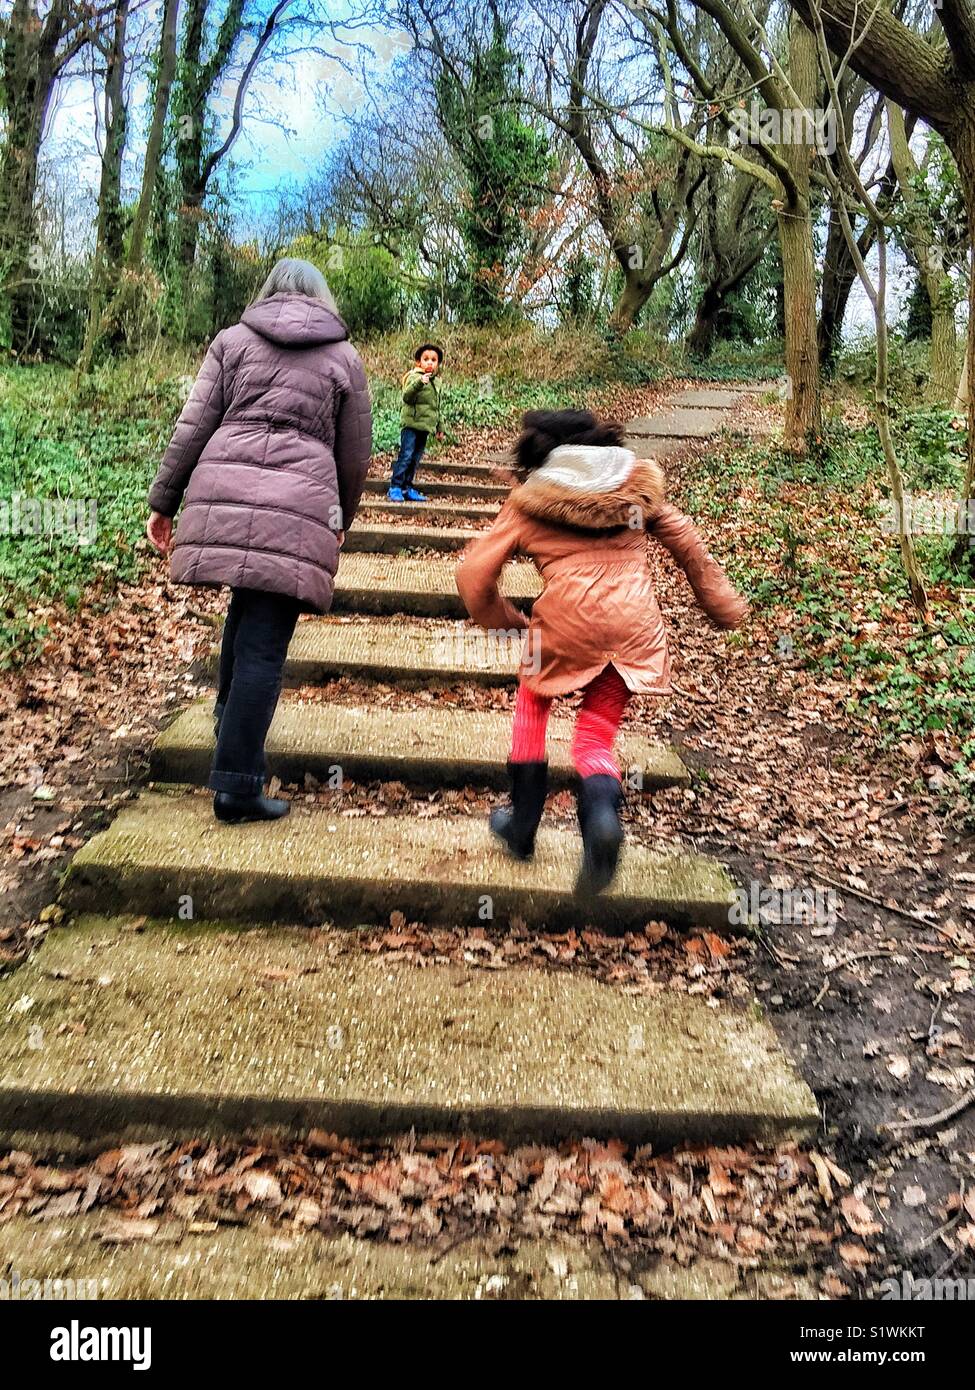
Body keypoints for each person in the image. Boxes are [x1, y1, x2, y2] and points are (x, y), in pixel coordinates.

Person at [456, 408, 748, 896]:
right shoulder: (638, 491)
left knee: (532, 702)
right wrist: (721, 605)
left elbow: (473, 575)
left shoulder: (528, 502)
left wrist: (505, 621)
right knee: (594, 737)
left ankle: (522, 824)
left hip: (563, 625)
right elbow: (690, 547)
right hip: (633, 626)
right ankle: (602, 820)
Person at [146, 257, 372, 824]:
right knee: (265, 643)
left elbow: (193, 425)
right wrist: (339, 515)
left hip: (227, 486)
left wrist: (163, 501)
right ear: (323, 297)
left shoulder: (233, 340)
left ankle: (229, 726)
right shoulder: (343, 356)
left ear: (267, 291)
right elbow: (356, 455)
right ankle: (237, 786)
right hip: (299, 504)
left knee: (246, 613)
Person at [388, 343, 444, 501]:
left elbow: (436, 407)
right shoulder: (414, 377)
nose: (430, 362)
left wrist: (440, 428)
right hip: (411, 425)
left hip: (425, 427)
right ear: (419, 362)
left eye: (434, 360)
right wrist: (420, 382)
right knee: (406, 456)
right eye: (426, 359)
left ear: (437, 364)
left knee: (415, 458)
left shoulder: (436, 383)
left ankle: (407, 487)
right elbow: (406, 397)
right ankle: (395, 486)